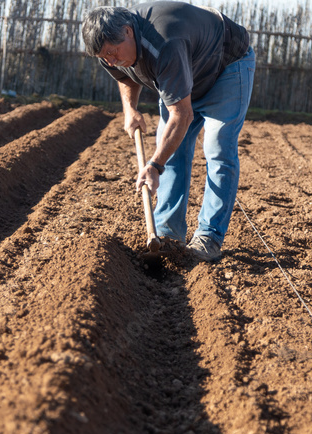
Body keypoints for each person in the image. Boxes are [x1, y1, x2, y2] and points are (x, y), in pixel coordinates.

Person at [81, 2, 255, 261]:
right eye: (104, 57)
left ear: (128, 31)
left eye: (112, 53)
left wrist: (154, 166)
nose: (110, 61)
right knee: (171, 151)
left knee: (218, 147)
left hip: (226, 65)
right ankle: (168, 234)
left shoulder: (164, 43)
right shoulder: (110, 49)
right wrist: (130, 109)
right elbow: (125, 76)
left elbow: (181, 114)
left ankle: (209, 236)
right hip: (185, 72)